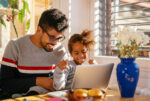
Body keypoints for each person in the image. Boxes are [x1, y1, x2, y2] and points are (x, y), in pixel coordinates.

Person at [0, 8, 68, 98]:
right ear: (39, 30)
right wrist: (38, 81)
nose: (55, 43)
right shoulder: (15, 46)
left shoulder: (60, 50)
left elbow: (63, 86)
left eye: (59, 38)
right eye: (52, 37)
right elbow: (4, 84)